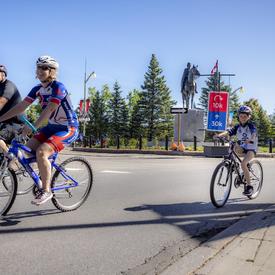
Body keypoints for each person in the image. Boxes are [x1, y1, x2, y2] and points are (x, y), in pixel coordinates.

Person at [0, 56, 79, 205]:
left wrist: (32, 127)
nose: (41, 70)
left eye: (45, 68)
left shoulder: (58, 87)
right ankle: (44, 172)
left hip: (68, 128)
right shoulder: (37, 89)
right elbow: (22, 106)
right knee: (26, 151)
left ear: (52, 71)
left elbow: (49, 109)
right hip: (51, 127)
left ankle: (47, 190)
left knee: (42, 152)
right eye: (39, 67)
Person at [214, 105, 258, 196]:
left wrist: (251, 139)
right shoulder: (237, 127)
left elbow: (254, 133)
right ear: (238, 116)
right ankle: (234, 164)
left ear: (249, 117)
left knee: (244, 163)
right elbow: (228, 132)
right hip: (242, 147)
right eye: (241, 116)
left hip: (251, 148)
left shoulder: (251, 126)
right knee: (233, 147)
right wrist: (219, 135)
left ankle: (249, 187)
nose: (243, 118)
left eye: (245, 116)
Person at [0, 64, 23, 149]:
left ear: (3, 74)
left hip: (15, 123)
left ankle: (9, 156)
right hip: (3, 122)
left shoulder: (9, 86)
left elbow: (1, 102)